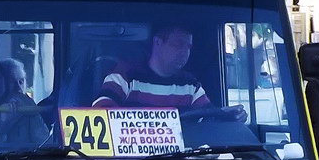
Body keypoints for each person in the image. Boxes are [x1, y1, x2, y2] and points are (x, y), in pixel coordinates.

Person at [93, 25, 247, 120]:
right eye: (178, 44)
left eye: (188, 47)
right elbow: (101, 115)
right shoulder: (125, 76)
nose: (185, 52)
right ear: (158, 42)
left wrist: (227, 117)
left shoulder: (190, 85)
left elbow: (207, 119)